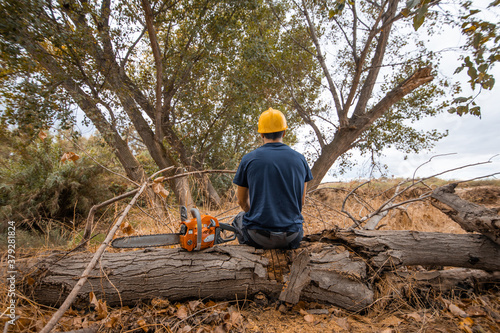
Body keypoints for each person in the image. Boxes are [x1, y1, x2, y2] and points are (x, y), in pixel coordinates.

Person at [232, 107, 313, 249]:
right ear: (284, 132)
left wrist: (258, 213)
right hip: (292, 236)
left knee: (239, 218)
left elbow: (241, 202)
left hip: (258, 238)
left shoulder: (248, 159)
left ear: (261, 134)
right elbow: (301, 201)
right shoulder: (300, 159)